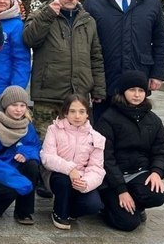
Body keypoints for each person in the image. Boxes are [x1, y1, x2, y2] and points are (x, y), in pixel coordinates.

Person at [84, 0, 164, 121]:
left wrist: (158, 73)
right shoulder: (93, 2)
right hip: (105, 77)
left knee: (135, 127)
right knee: (103, 127)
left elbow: (160, 40)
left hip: (139, 75)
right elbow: (85, 42)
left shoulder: (152, 2)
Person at [22, 0, 105, 139]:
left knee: (76, 144)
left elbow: (96, 56)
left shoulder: (88, 21)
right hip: (48, 95)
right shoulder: (40, 15)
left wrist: (98, 88)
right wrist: (48, 15)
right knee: (46, 144)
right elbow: (29, 39)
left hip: (78, 96)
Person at [95, 70, 164, 231]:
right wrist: (121, 190)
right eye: (132, 90)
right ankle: (107, 206)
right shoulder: (108, 119)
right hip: (112, 180)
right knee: (129, 223)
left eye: (141, 90)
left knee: (158, 195)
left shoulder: (153, 120)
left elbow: (162, 151)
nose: (137, 95)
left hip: (138, 173)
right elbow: (105, 157)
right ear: (123, 92)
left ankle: (135, 204)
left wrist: (157, 172)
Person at [0, 85, 41, 225]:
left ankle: (24, 212)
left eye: (22, 105)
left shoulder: (26, 125)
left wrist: (25, 153)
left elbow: (35, 146)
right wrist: (18, 180)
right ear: (5, 105)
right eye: (14, 105)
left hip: (13, 167)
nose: (19, 110)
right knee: (8, 192)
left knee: (32, 165)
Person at [40, 94, 105, 230]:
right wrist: (70, 169)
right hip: (56, 174)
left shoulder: (96, 137)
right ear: (65, 113)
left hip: (81, 177)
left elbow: (97, 168)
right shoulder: (54, 130)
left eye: (82, 112)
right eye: (72, 111)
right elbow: (47, 157)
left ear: (87, 114)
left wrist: (86, 182)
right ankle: (59, 213)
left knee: (94, 205)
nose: (77, 116)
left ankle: (71, 211)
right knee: (63, 181)